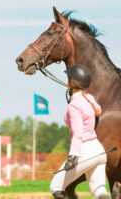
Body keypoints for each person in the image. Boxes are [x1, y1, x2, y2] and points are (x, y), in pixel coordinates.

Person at [50, 64, 109, 199]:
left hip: (84, 150)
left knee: (55, 187)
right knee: (99, 190)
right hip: (99, 150)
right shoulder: (89, 97)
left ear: (72, 82)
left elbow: (78, 133)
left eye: (68, 78)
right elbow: (98, 111)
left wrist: (72, 156)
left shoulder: (74, 105)